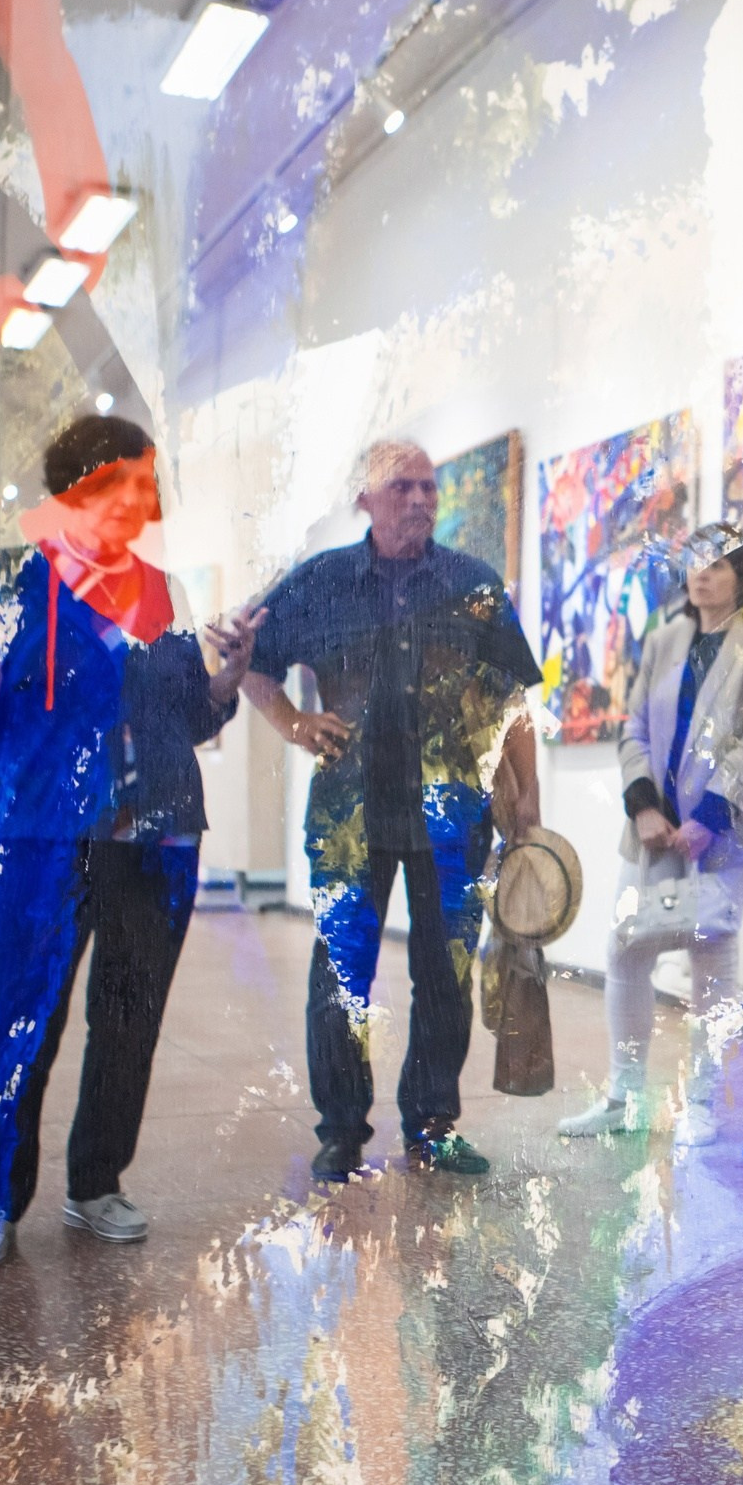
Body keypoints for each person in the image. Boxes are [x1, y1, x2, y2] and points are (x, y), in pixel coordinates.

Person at [0, 414, 260, 1270]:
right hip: (43, 833)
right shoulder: (7, 577)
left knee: (127, 1017)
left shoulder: (161, 590)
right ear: (81, 483)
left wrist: (226, 679)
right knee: (20, 1019)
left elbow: (192, 715)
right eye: (126, 479)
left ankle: (95, 1184)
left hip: (152, 835)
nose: (141, 497)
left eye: (147, 482)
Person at [241, 440, 544, 1181]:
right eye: (402, 487)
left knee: (445, 976)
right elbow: (252, 660)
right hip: (351, 817)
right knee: (341, 975)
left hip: (455, 817)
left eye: (429, 489)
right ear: (365, 499)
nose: (419, 500)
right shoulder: (320, 582)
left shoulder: (473, 585)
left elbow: (511, 699)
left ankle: (433, 1124)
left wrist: (528, 804)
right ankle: (342, 1130)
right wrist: (293, 723)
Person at [558, 524, 743, 1146]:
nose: (702, 573)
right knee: (625, 950)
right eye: (694, 562)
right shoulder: (664, 640)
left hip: (727, 833)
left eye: (717, 563)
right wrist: (642, 807)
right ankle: (624, 1098)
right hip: (654, 833)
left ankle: (706, 1104)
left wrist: (708, 819)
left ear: (742, 575)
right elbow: (632, 728)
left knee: (712, 961)